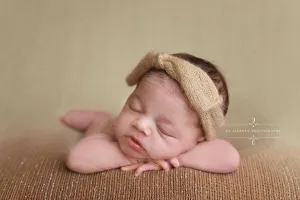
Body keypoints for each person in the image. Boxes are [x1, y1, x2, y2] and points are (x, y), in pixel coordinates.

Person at [61, 51, 240, 176]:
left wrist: (177, 158)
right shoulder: (117, 131)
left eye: (163, 129)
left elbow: (230, 158)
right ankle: (96, 118)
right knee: (100, 123)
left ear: (199, 139)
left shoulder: (193, 145)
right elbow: (77, 159)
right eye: (134, 107)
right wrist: (130, 157)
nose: (140, 124)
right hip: (105, 127)